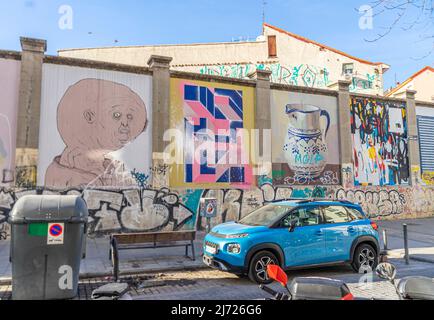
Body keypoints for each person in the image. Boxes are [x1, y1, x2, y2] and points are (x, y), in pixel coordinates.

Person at [45, 78, 148, 188]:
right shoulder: (64, 170)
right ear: (89, 116)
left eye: (129, 116)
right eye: (116, 115)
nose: (125, 123)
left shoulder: (114, 169)